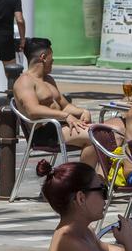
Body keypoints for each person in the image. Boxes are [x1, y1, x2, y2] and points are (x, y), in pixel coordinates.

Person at [13, 38, 116, 168]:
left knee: (102, 134)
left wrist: (83, 111)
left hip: (59, 126)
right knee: (96, 136)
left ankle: (85, 180)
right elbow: (33, 111)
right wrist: (65, 116)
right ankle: (83, 181)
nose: (53, 61)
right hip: (44, 131)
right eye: (52, 57)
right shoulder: (25, 81)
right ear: (43, 57)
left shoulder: (48, 79)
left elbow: (65, 105)